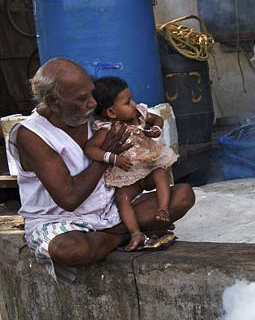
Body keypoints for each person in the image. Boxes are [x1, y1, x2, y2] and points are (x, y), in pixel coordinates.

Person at [5, 57, 195, 279]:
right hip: (60, 221)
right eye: (82, 98)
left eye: (92, 94)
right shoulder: (31, 135)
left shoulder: (90, 114)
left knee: (182, 195)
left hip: (110, 210)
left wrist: (148, 131)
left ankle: (117, 234)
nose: (93, 103)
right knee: (71, 250)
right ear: (53, 102)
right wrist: (105, 156)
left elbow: (140, 115)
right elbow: (69, 198)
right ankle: (124, 235)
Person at [88, 76, 179, 252]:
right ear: (112, 113)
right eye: (127, 102)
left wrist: (156, 129)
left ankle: (163, 210)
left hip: (149, 165)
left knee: (161, 173)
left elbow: (157, 119)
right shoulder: (107, 128)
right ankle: (135, 232)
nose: (134, 103)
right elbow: (91, 149)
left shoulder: (139, 114)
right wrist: (112, 158)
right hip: (128, 174)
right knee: (122, 198)